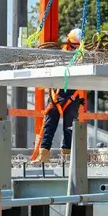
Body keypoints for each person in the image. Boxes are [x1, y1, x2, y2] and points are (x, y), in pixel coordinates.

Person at [36, 28, 87, 162]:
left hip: (72, 96)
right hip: (57, 94)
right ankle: (43, 154)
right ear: (69, 41)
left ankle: (68, 157)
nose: (75, 48)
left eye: (77, 45)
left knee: (69, 128)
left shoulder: (83, 55)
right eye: (73, 44)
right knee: (49, 124)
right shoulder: (60, 54)